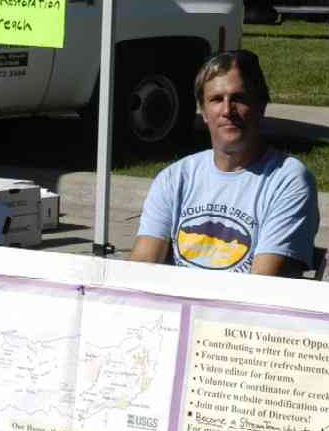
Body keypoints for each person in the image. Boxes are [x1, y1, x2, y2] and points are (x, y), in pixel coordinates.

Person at [130, 50, 318, 276]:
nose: (227, 110)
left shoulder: (287, 181)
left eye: (238, 98)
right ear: (204, 112)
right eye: (216, 99)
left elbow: (264, 284)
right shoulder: (174, 178)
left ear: (261, 106)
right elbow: (141, 268)